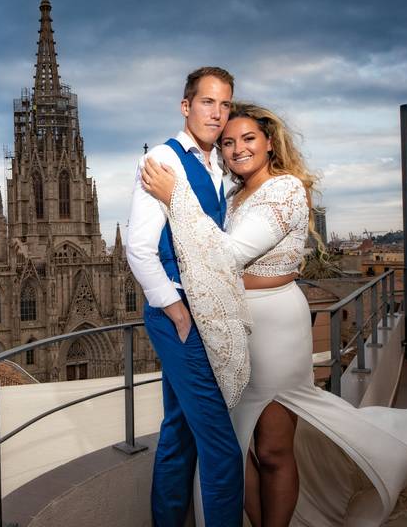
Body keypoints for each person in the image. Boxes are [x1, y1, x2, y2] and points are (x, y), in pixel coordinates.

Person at [142, 102, 407, 527]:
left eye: (247, 139)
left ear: (268, 143)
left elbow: (226, 255)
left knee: (273, 448)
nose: (237, 149)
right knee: (233, 443)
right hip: (232, 326)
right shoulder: (233, 195)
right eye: (227, 142)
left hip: (275, 325)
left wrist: (176, 196)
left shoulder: (285, 189)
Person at [125, 66, 243, 527]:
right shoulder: (164, 159)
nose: (217, 113)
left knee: (180, 434)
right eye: (208, 102)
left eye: (225, 103)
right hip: (180, 314)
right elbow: (139, 246)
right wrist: (173, 309)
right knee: (222, 448)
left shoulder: (218, 165)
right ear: (186, 106)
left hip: (204, 312)